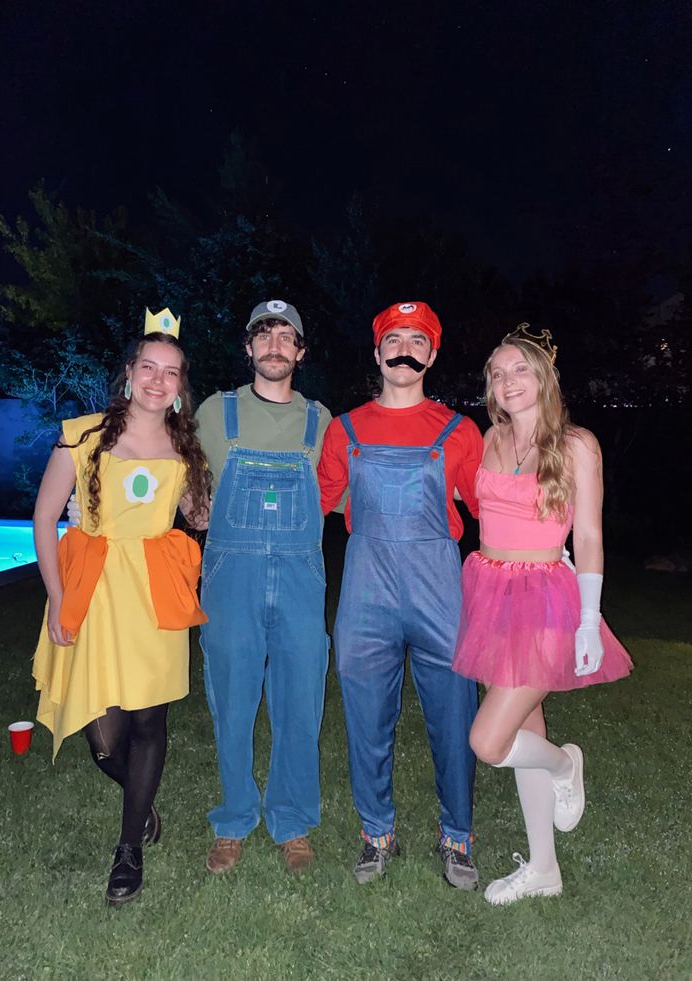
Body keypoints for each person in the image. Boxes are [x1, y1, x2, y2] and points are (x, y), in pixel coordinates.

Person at [32, 309, 211, 906]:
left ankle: (129, 845)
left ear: (182, 386)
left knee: (147, 722)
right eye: (149, 368)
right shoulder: (81, 435)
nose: (159, 381)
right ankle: (140, 799)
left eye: (172, 372)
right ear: (129, 373)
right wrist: (58, 598)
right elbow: (44, 516)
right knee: (104, 737)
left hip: (155, 595)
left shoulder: (184, 446)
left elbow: (201, 517)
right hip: (95, 594)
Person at [452, 324, 633, 906]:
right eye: (497, 374)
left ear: (544, 376)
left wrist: (588, 618)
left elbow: (590, 534)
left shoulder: (577, 443)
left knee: (489, 739)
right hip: (488, 589)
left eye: (519, 370)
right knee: (525, 724)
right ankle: (543, 869)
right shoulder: (491, 437)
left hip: (545, 597)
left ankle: (563, 766)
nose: (508, 382)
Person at [317, 301, 483, 888]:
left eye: (417, 340)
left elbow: (496, 509)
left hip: (440, 584)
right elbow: (310, 503)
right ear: (378, 351)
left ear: (432, 354)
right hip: (367, 588)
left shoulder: (461, 432)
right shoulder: (345, 429)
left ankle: (457, 836)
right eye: (393, 339)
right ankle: (376, 832)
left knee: (456, 714)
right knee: (365, 716)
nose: (404, 349)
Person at [196, 300, 332, 874]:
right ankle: (234, 818)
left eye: (286, 336)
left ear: (300, 351)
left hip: (301, 575)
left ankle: (292, 820)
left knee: (300, 699)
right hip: (232, 576)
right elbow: (179, 477)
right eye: (263, 335)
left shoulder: (323, 422)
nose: (274, 345)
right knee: (232, 699)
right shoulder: (212, 412)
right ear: (248, 347)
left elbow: (346, 496)